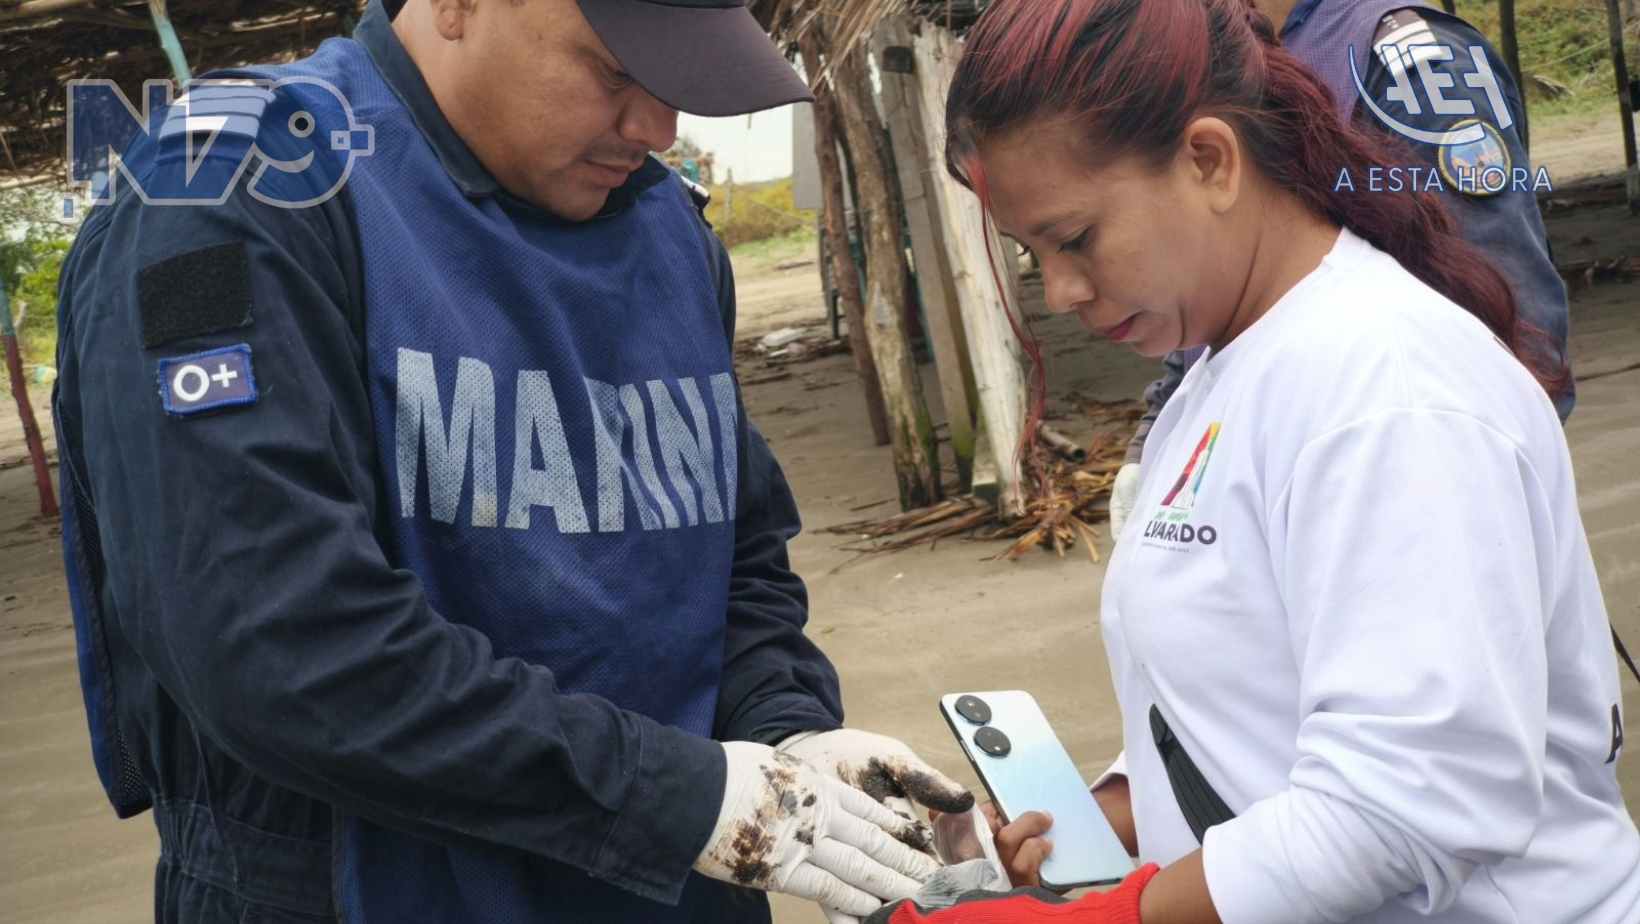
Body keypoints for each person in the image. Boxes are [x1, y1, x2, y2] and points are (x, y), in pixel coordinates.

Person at [52, 1, 974, 922]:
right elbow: (273, 637)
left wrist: (787, 732)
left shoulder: (665, 228)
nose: (656, 129)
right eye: (615, 71)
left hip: (671, 883)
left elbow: (733, 563)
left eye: (679, 86)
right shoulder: (234, 194)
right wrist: (675, 797)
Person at [869, 0, 1640, 921]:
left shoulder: (1386, 392)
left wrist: (1105, 916)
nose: (1062, 290)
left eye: (1074, 239)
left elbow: (1413, 800)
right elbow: (1249, 682)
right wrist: (1122, 807)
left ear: (1209, 160)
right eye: (1033, 255)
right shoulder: (1219, 374)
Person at [1108, 0, 1574, 539]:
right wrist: (1155, 438)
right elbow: (1210, 288)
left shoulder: (1412, 66)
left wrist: (1425, 521)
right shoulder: (1203, 55)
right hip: (1250, 502)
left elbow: (1517, 328)